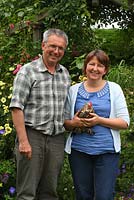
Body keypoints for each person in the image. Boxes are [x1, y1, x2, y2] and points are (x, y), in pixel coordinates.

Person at [9, 28, 71, 200]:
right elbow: (16, 107)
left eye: (61, 48)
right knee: (27, 192)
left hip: (56, 138)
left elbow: (66, 109)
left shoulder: (64, 74)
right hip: (32, 137)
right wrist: (23, 141)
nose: (56, 51)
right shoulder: (28, 71)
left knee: (49, 192)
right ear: (43, 45)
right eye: (52, 46)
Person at [64, 49, 130, 200]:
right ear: (85, 67)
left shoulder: (114, 89)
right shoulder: (73, 91)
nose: (95, 68)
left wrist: (99, 120)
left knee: (104, 196)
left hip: (107, 153)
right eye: (91, 64)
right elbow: (65, 123)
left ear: (105, 69)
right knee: (83, 195)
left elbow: (125, 122)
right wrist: (74, 122)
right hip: (79, 152)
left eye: (100, 65)